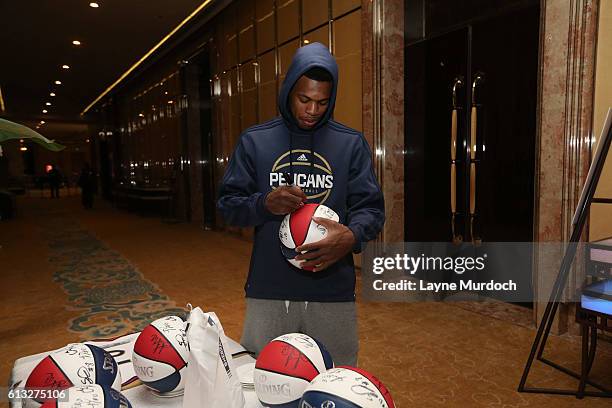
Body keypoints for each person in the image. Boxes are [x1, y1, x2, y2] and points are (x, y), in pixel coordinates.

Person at [217, 42, 384, 366]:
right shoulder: (256, 141)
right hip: (269, 287)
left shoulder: (350, 144)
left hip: (332, 289)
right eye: (304, 99)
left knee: (336, 378)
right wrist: (264, 203)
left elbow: (372, 209)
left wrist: (352, 236)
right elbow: (228, 205)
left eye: (322, 102)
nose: (312, 110)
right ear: (289, 91)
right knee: (263, 379)